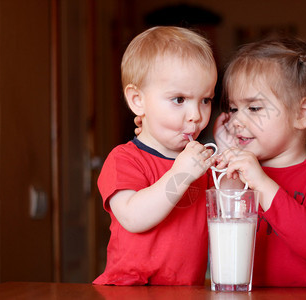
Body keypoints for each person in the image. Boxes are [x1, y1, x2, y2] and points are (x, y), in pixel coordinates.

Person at [213, 37, 306, 288]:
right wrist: (229, 160)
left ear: (302, 113)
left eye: (253, 108)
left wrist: (261, 183)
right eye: (233, 108)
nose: (236, 121)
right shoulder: (245, 173)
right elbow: (226, 234)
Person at [93, 26, 218, 286]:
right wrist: (182, 173)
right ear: (138, 100)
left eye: (205, 100)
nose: (196, 115)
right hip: (129, 290)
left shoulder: (198, 163)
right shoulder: (124, 159)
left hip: (185, 290)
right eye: (179, 99)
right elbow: (133, 217)